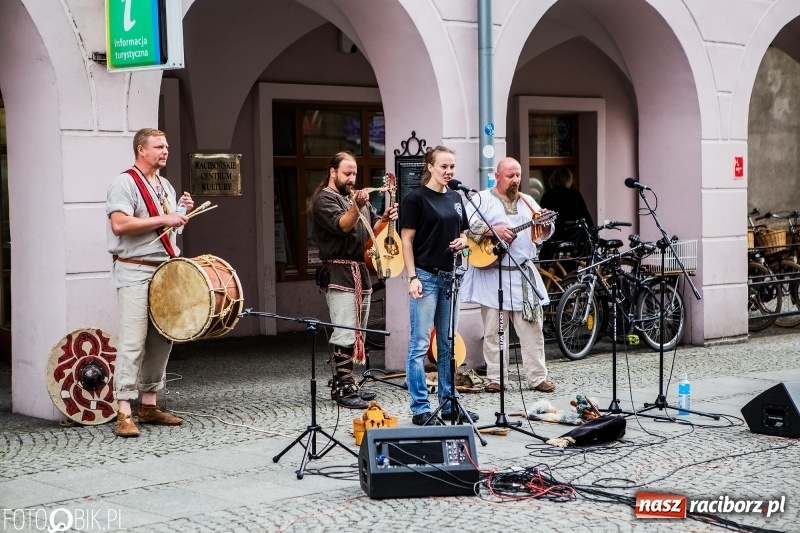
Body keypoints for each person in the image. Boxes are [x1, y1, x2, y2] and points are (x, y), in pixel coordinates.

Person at [106, 128, 193, 437]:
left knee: (162, 337)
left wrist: (181, 214)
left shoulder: (165, 185)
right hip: (134, 270)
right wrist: (164, 219)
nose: (165, 150)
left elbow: (168, 230)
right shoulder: (124, 182)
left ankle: (149, 404)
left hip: (163, 269)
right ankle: (124, 411)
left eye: (166, 145)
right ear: (141, 150)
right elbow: (119, 225)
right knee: (132, 340)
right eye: (158, 146)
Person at [461, 157, 557, 394]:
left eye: (518, 175)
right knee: (494, 330)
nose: (515, 180)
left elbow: (543, 234)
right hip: (493, 273)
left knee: (532, 329)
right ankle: (496, 378)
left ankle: (537, 377)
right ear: (497, 176)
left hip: (522, 272)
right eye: (510, 176)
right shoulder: (482, 199)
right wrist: (494, 231)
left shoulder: (528, 201)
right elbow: (465, 227)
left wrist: (544, 225)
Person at [311, 152, 398, 409]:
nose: (351, 179)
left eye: (354, 174)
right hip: (339, 272)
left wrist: (386, 218)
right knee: (346, 330)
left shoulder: (353, 197)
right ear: (333, 172)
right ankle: (343, 387)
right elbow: (343, 226)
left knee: (357, 331)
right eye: (347, 173)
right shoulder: (324, 200)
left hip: (360, 271)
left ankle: (349, 383)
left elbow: (375, 231)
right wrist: (356, 206)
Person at [400, 146, 479, 426]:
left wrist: (463, 243)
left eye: (452, 167)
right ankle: (420, 407)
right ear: (430, 167)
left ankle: (448, 403)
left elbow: (464, 234)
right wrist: (412, 278)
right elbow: (406, 241)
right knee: (420, 344)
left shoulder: (457, 198)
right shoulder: (416, 198)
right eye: (444, 166)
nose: (449, 172)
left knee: (447, 343)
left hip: (451, 277)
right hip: (425, 276)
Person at [539, 166, 594, 259]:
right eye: (571, 178)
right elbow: (585, 215)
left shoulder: (547, 195)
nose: (573, 181)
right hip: (572, 241)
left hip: (553, 240)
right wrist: (592, 232)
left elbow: (542, 217)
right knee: (571, 270)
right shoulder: (574, 195)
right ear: (566, 179)